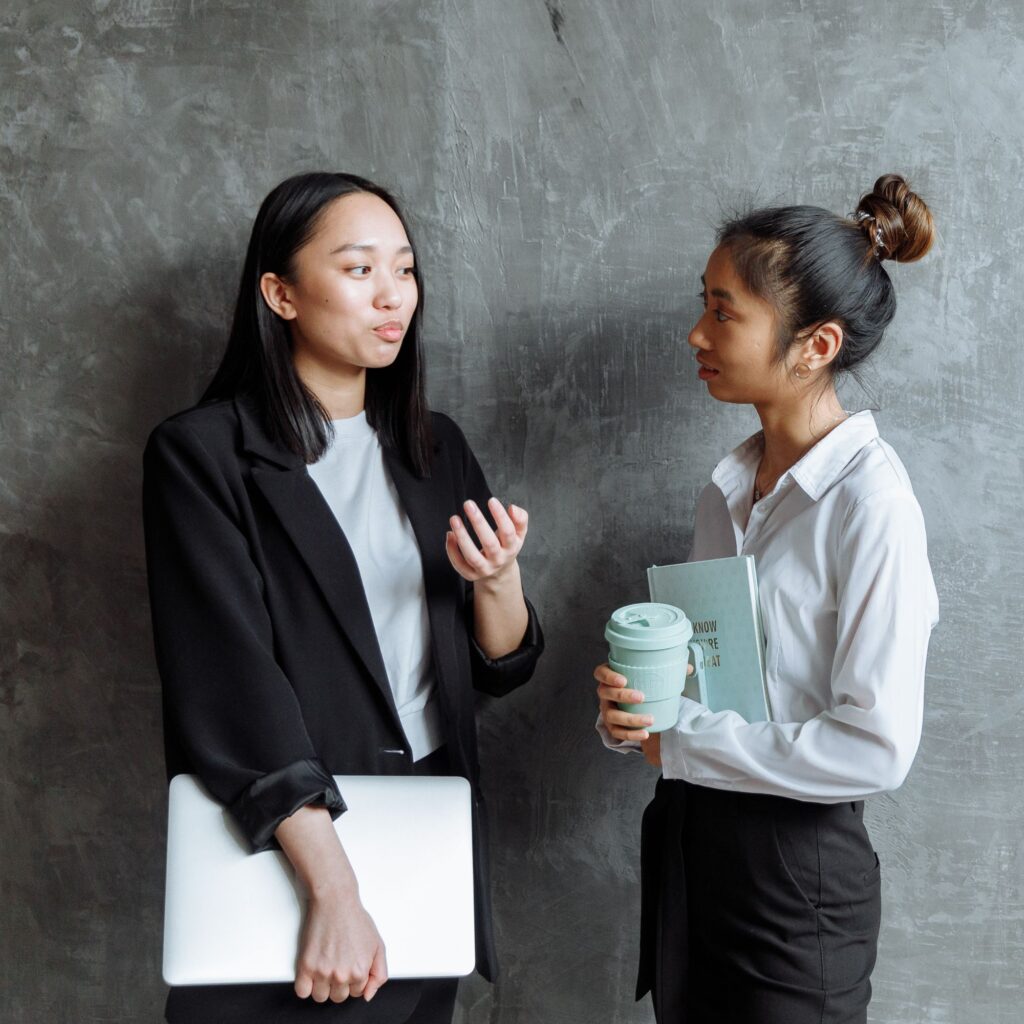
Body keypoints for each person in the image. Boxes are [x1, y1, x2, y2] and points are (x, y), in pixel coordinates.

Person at [143, 171, 544, 1024]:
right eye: (359, 269)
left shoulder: (434, 451)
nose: (391, 295)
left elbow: (499, 669)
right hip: (292, 845)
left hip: (424, 837)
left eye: (403, 269)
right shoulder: (203, 454)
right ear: (279, 293)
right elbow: (228, 685)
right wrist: (332, 887)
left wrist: (499, 582)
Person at [595, 174, 939, 1023]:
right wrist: (639, 710)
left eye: (723, 311)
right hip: (694, 858)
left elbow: (877, 748)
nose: (696, 333)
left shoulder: (871, 503)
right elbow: (715, 680)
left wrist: (682, 740)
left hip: (796, 886)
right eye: (703, 305)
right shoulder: (731, 485)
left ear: (815, 344)